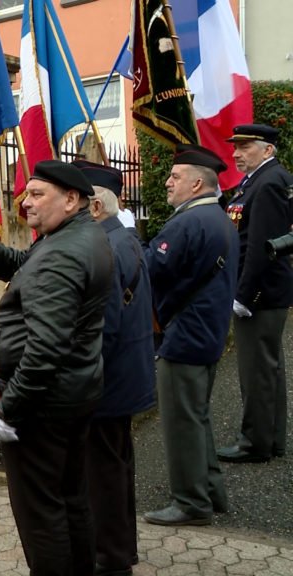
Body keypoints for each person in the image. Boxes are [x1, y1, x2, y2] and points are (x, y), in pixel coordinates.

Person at [0, 160, 113, 576]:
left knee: (42, 512)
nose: (25, 201)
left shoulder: (63, 253)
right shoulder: (72, 236)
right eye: (27, 192)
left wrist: (10, 408)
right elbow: (23, 265)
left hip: (42, 406)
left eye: (37, 194)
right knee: (70, 497)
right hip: (71, 394)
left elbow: (47, 346)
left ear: (71, 199)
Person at [143, 144, 239, 527]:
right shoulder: (218, 217)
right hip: (207, 333)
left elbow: (150, 270)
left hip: (186, 336)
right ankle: (211, 492)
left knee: (182, 421)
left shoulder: (187, 222)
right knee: (197, 416)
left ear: (197, 183)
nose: (167, 182)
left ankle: (191, 503)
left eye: (175, 176)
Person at [74, 160, 156, 576]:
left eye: (75, 201)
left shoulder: (104, 247)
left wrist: (77, 382)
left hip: (105, 384)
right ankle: (122, 550)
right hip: (124, 380)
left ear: (94, 207)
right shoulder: (123, 236)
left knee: (104, 474)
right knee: (117, 468)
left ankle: (110, 558)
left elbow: (101, 331)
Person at [217, 124, 293, 464]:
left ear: (267, 150)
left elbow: (261, 246)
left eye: (245, 146)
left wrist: (244, 295)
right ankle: (271, 439)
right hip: (267, 291)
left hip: (261, 293)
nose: (236, 153)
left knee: (256, 372)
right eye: (236, 146)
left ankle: (255, 443)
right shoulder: (262, 180)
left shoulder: (269, 183)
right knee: (268, 370)